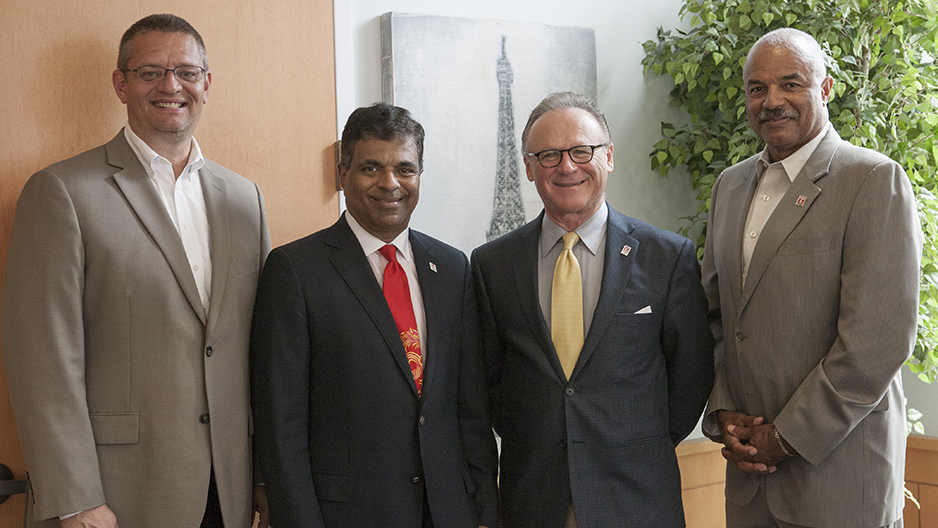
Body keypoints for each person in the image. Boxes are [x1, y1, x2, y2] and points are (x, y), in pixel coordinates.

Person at [2, 14, 271, 528]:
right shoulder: (62, 192)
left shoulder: (245, 199)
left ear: (207, 84)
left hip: (228, 489)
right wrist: (75, 499)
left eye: (187, 72)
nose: (171, 86)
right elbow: (42, 361)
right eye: (150, 72)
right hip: (115, 494)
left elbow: (259, 350)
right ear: (120, 84)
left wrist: (263, 475)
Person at [701, 28, 920, 528]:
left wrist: (786, 438)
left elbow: (877, 342)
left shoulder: (872, 179)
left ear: (825, 89)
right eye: (757, 88)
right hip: (750, 483)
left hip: (841, 480)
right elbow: (715, 318)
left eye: (791, 83)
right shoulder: (729, 186)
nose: (772, 101)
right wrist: (724, 413)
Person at [471, 92, 714, 528]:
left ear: (609, 157)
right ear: (528, 167)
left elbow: (691, 377)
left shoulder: (667, 257)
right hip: (534, 502)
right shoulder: (493, 265)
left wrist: (634, 443)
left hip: (636, 500)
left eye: (582, 151)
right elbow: (490, 382)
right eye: (549, 155)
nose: (567, 167)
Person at [250, 103, 498, 528]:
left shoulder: (452, 267)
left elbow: (470, 408)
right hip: (347, 514)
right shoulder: (295, 270)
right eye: (371, 168)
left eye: (405, 169)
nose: (390, 183)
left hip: (446, 511)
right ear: (342, 173)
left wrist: (485, 509)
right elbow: (280, 424)